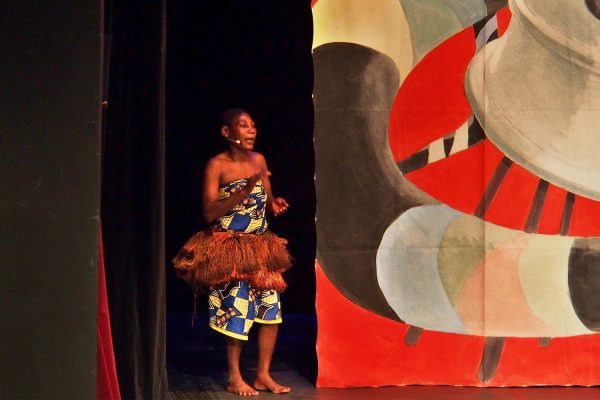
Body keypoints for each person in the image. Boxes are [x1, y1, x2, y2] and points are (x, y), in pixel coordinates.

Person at [173, 108, 292, 396]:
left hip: (260, 247)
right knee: (237, 311)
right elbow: (209, 212)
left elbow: (266, 199)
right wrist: (243, 191)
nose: (251, 130)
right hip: (230, 248)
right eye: (243, 125)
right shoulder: (217, 166)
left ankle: (263, 375)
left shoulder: (259, 160)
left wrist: (274, 205)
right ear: (227, 133)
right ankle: (235, 377)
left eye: (253, 125)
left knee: (270, 311)